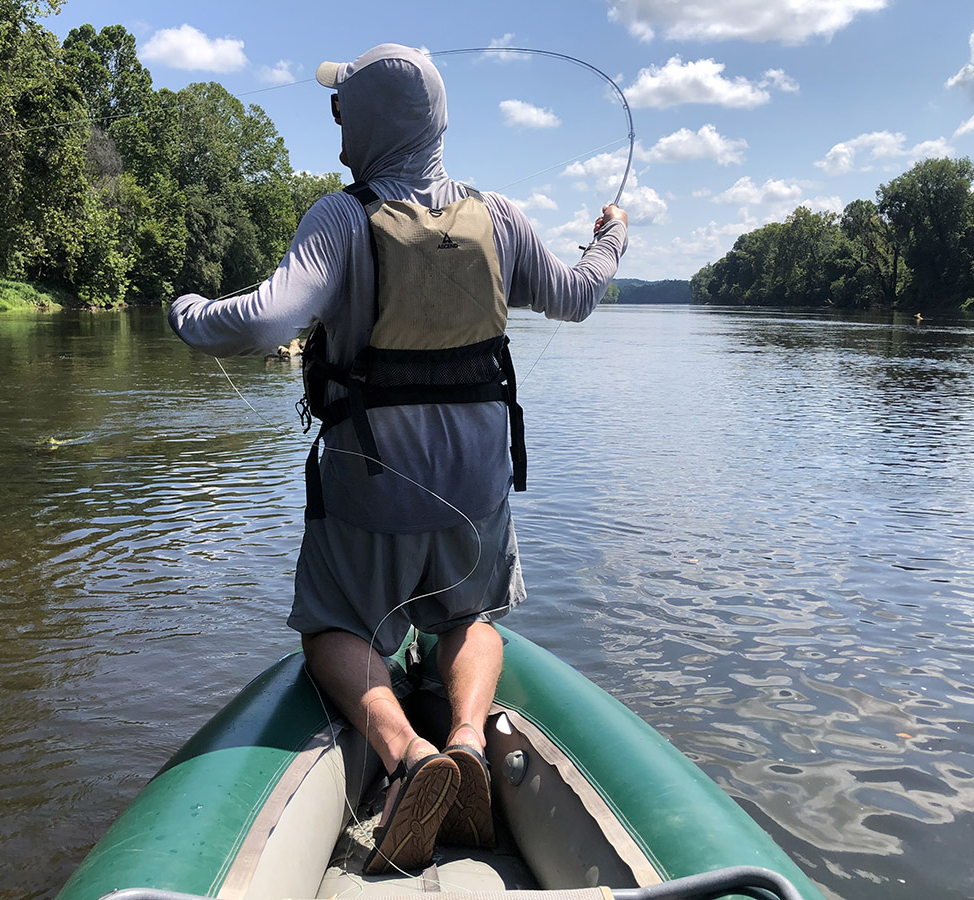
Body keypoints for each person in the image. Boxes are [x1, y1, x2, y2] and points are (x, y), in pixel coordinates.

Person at [168, 43, 627, 875]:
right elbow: (580, 295)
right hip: (478, 496)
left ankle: (409, 756)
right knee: (468, 620)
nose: (336, 119)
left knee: (331, 627)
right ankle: (467, 742)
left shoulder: (342, 218)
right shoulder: (502, 219)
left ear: (375, 120)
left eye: (344, 106)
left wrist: (189, 311)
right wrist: (614, 240)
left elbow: (269, 322)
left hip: (371, 491)